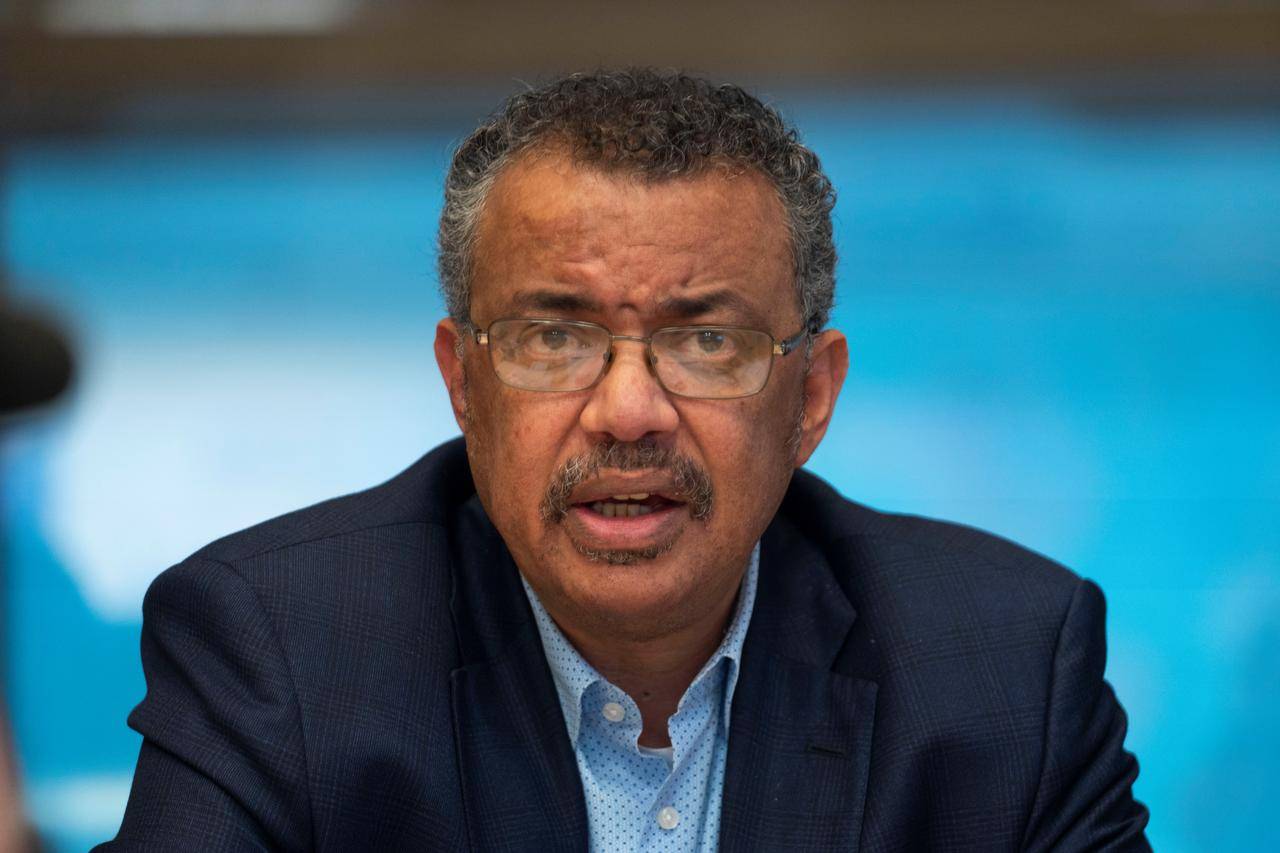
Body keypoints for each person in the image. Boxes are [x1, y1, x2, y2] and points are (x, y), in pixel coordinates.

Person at [98, 69, 1150, 851]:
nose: (629, 411)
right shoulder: (281, 651)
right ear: (463, 381)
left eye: (707, 340)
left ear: (811, 397)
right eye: (554, 337)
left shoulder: (1002, 665)